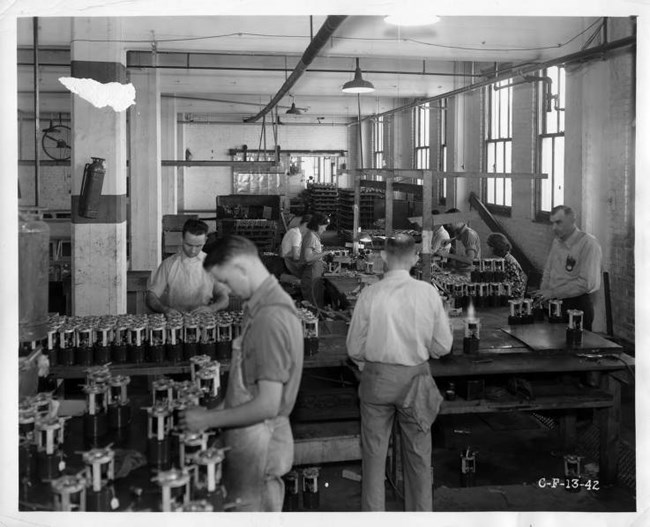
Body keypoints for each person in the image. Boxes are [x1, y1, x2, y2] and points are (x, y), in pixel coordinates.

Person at [179, 235, 304, 512]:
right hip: (249, 439)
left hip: (261, 442)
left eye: (223, 280)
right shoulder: (258, 307)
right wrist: (219, 424)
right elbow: (246, 387)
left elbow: (267, 404)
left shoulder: (270, 318)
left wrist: (208, 419)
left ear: (241, 267)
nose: (224, 289)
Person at [346, 234, 453, 511]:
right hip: (415, 383)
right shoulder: (427, 292)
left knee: (373, 457)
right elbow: (443, 346)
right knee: (418, 457)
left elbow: (354, 348)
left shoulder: (370, 294)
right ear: (416, 259)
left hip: (377, 382)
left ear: (382, 257)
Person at [535, 205, 602, 330]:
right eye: (552, 223)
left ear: (572, 221)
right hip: (555, 303)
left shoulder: (588, 244)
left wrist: (553, 293)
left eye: (559, 222)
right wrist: (543, 294)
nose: (554, 228)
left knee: (575, 345)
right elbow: (548, 271)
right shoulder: (557, 242)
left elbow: (586, 283)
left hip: (577, 305)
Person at [147, 219, 229, 315]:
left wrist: (211, 308)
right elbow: (150, 296)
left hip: (205, 320)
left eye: (198, 246)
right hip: (176, 321)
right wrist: (165, 310)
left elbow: (224, 299)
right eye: (189, 245)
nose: (193, 250)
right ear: (182, 239)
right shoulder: (168, 264)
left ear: (205, 241)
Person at [436, 207, 481, 275]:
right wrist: (450, 240)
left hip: (469, 274)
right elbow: (460, 239)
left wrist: (448, 255)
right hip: (459, 270)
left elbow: (470, 260)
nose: (448, 226)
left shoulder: (469, 235)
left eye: (450, 223)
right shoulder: (460, 232)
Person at [299, 213, 331, 308]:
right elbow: (308, 258)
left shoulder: (313, 236)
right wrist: (325, 253)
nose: (324, 230)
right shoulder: (311, 237)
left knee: (316, 304)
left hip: (314, 273)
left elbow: (313, 255)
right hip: (311, 274)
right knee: (313, 305)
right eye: (323, 227)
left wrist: (321, 260)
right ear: (317, 225)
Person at [487, 232, 527, 298]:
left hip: (513, 298)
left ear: (493, 248)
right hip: (510, 293)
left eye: (489, 246)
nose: (488, 249)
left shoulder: (508, 262)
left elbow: (510, 287)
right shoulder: (505, 258)